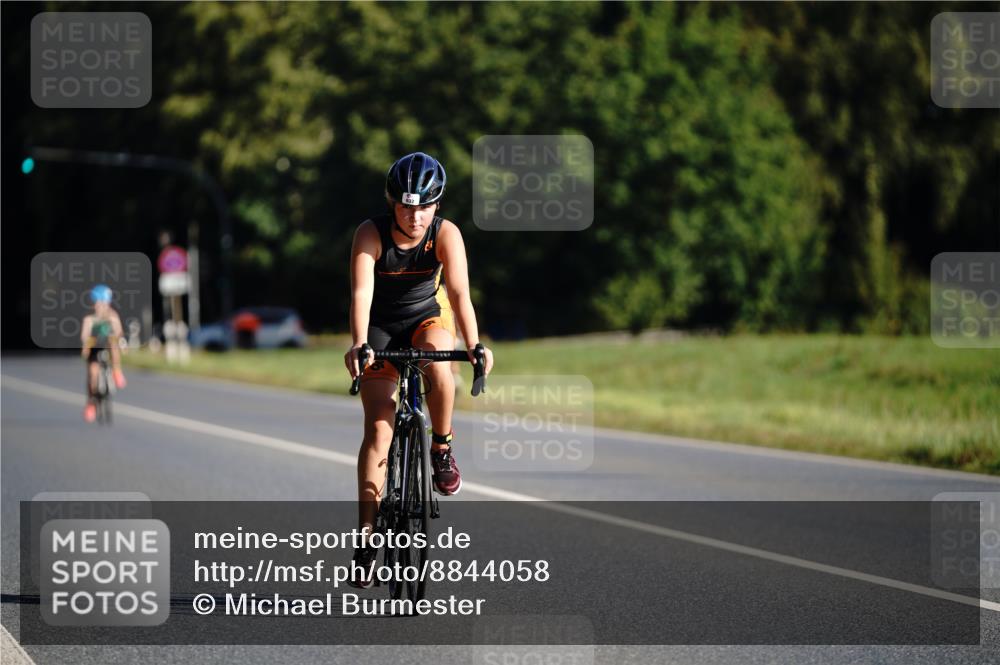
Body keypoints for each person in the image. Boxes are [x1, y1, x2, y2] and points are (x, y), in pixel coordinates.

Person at [343, 152, 493, 588]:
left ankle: (441, 448)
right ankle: (367, 541)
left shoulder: (446, 234)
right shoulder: (369, 234)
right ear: (394, 204)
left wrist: (475, 345)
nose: (416, 216)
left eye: (425, 206)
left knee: (440, 366)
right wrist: (359, 344)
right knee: (378, 430)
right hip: (379, 329)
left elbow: (460, 295)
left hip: (424, 319)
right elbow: (360, 295)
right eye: (408, 206)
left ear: (437, 205)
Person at [81, 284, 127, 422]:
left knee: (114, 343)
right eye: (98, 304)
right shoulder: (89, 317)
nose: (101, 307)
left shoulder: (112, 315)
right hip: (94, 347)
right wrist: (85, 346)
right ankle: (91, 403)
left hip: (107, 344)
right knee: (93, 373)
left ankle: (117, 371)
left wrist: (122, 343)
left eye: (104, 304)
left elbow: (119, 332)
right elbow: (85, 335)